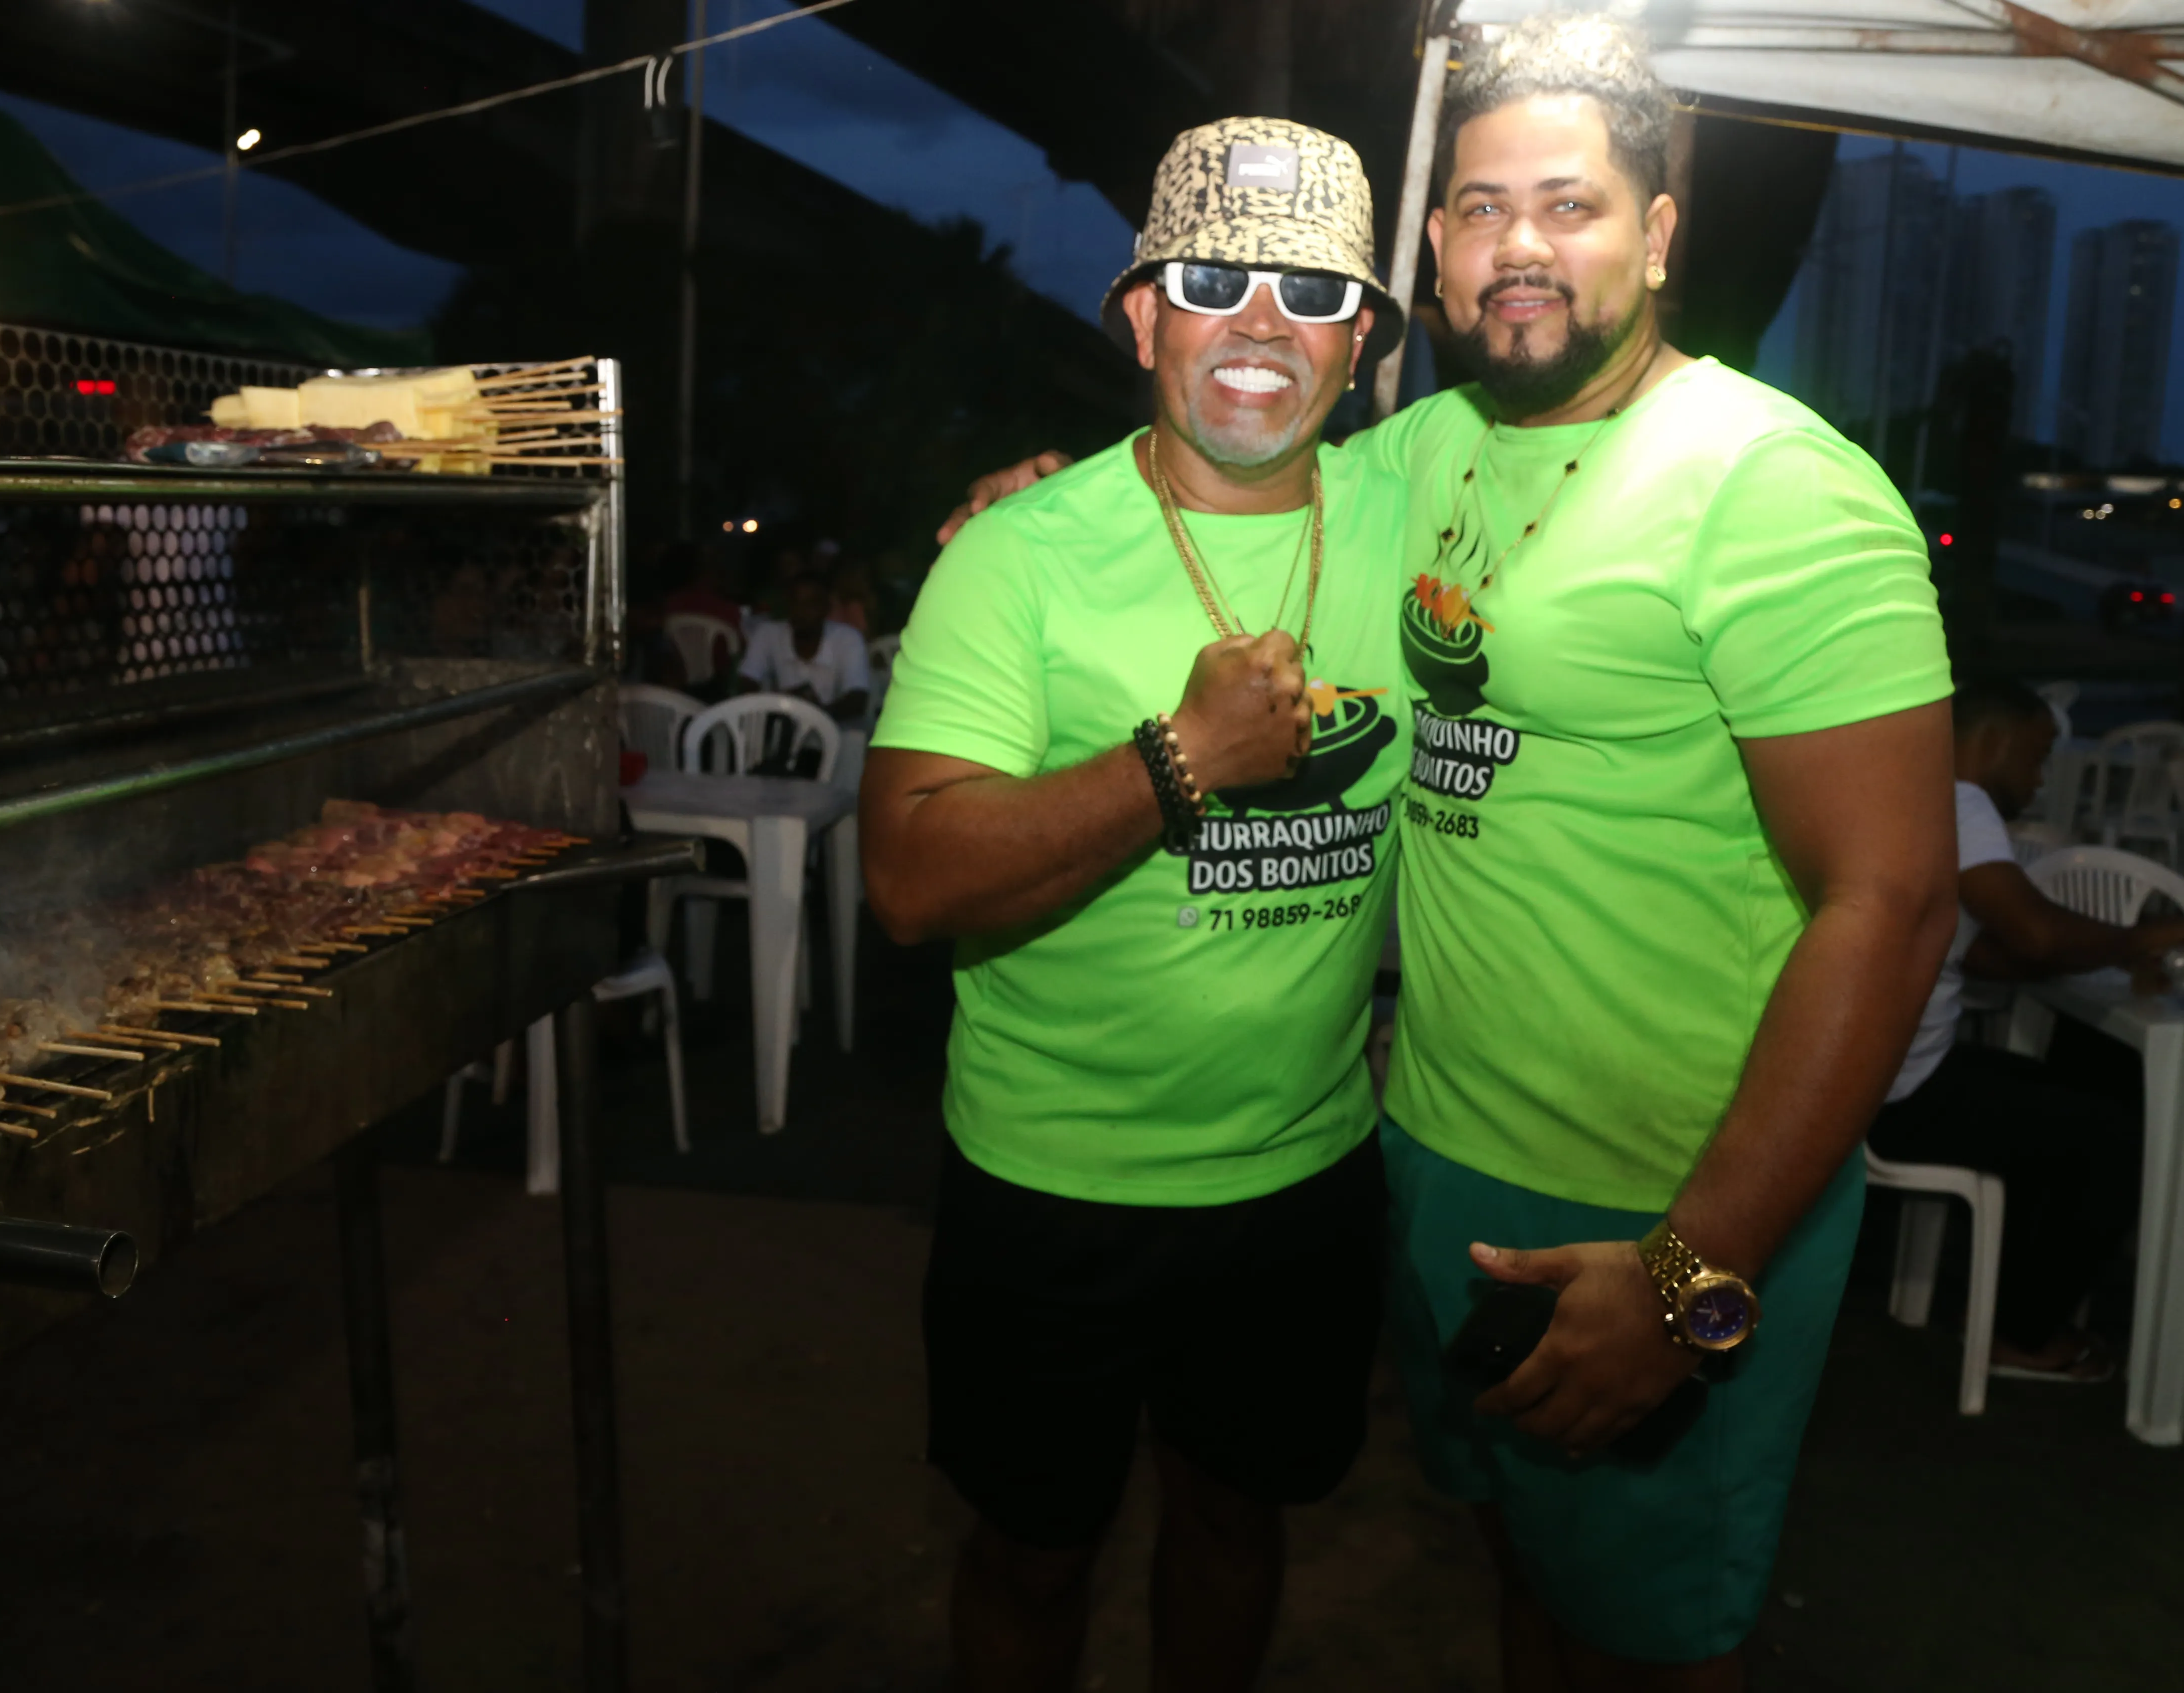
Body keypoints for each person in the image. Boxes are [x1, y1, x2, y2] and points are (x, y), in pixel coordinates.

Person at [937, 18, 1960, 1687]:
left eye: (1570, 204)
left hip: (1663, 1194)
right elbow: (1221, 475)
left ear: (1657, 232)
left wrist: (1691, 1266)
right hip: (1433, 1167)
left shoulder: (1777, 488)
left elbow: (1895, 900)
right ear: (1432, 248)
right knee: (1523, 1569)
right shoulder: (1420, 453)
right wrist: (1048, 500)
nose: (1520, 247)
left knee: (1648, 1632)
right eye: (1483, 209)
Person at [863, 117, 1411, 1692]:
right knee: (1033, 1551)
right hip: (1049, 1180)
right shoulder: (1014, 557)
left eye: (1311, 291)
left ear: (1361, 342)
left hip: (1302, 1174)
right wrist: (1179, 759)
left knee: (1236, 1519)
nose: (1261, 323)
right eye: (1212, 281)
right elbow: (907, 877)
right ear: (1140, 319)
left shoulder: (1425, 512)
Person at [1873, 677, 2172, 1380]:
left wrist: (2101, 952)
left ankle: (2012, 1301)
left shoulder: (1905, 791)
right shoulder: (1960, 799)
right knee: (2113, 1137)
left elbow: (1977, 951)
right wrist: (2148, 936)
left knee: (2090, 1074)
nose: (2039, 782)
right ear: (1994, 740)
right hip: (1900, 1093)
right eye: (2037, 758)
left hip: (1877, 1077)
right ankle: (2021, 1334)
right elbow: (2033, 934)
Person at [731, 571, 872, 722]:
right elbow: (746, 685)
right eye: (795, 602)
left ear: (826, 608)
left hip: (837, 730)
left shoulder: (849, 639)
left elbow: (858, 699)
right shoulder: (768, 633)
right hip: (781, 728)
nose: (801, 611)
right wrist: (782, 702)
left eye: (811, 604)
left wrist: (813, 715)